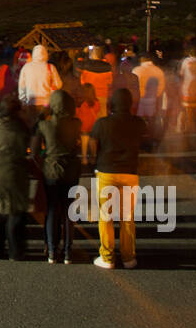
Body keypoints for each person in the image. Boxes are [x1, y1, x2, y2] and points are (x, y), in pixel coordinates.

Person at [90, 88, 149, 268]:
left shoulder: (102, 123)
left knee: (105, 216)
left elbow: (93, 144)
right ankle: (128, 257)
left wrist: (95, 160)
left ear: (112, 104)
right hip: (129, 172)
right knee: (127, 217)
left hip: (106, 171)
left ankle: (107, 257)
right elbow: (146, 142)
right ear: (129, 104)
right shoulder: (138, 123)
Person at [32, 88, 82, 264]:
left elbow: (34, 151)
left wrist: (43, 165)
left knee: (53, 209)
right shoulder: (76, 124)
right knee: (69, 211)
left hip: (52, 170)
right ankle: (68, 251)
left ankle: (52, 251)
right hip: (71, 170)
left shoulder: (45, 125)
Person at [0, 94, 31, 260]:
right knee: (15, 212)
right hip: (15, 172)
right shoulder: (21, 127)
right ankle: (15, 251)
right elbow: (25, 147)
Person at [17, 43, 63, 119]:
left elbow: (21, 87)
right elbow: (59, 85)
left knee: (32, 124)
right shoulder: (50, 67)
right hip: (46, 104)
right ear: (45, 54)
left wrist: (24, 102)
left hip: (31, 104)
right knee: (45, 124)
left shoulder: (26, 67)